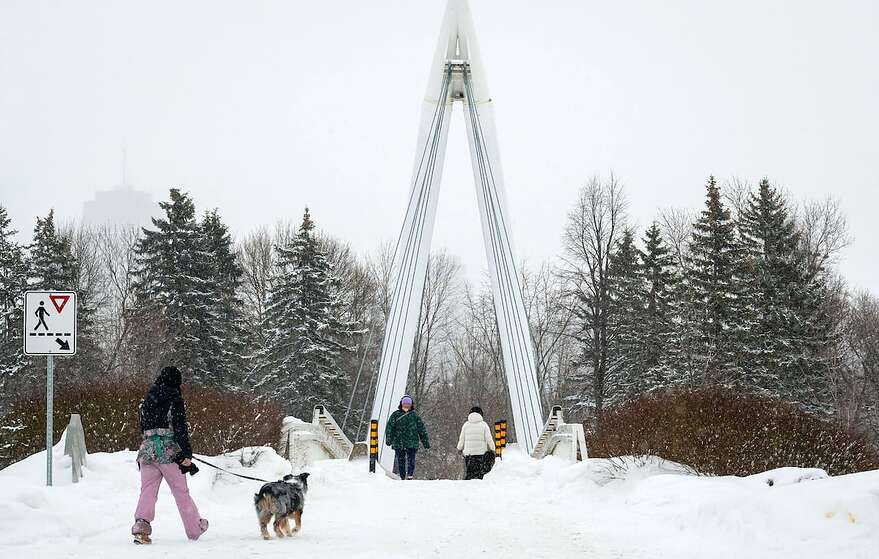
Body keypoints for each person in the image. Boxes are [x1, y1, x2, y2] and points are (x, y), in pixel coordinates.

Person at [131, 366, 208, 544]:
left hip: (147, 450)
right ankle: (194, 529)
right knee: (181, 491)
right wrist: (186, 453)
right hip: (169, 451)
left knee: (148, 489)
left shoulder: (147, 399)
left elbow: (143, 427)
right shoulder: (175, 399)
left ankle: (141, 526)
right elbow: (180, 428)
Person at [385, 395, 430, 480]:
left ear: (411, 405)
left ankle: (410, 475)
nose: (406, 405)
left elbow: (422, 430)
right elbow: (389, 427)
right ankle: (402, 477)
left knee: (411, 460)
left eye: (408, 403)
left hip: (412, 442)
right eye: (404, 403)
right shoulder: (395, 415)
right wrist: (389, 439)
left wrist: (425, 442)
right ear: (401, 404)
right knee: (400, 461)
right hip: (399, 442)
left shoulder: (415, 416)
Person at [456, 406, 495, 480]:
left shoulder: (466, 425)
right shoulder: (484, 425)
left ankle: (469, 487)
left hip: (469, 455)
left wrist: (459, 448)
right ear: (481, 414)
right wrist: (493, 449)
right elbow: (489, 439)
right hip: (481, 455)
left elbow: (461, 439)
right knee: (479, 475)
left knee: (470, 473)